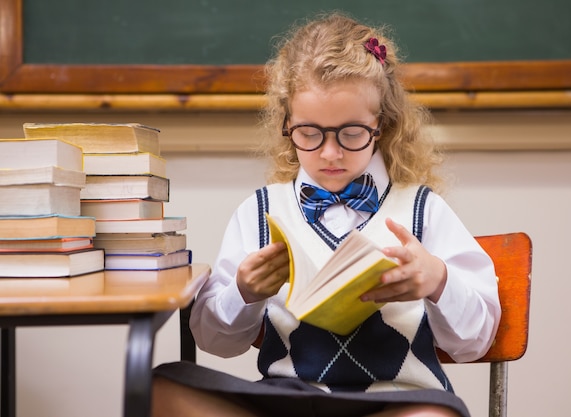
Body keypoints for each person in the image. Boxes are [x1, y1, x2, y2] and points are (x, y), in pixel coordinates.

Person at [152, 12, 501, 417]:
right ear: (287, 125)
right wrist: (243, 293)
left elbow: (476, 342)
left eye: (351, 133)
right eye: (310, 133)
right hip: (288, 400)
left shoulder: (424, 209)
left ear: (382, 126)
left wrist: (438, 280)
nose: (330, 153)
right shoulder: (261, 210)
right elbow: (217, 342)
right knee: (162, 385)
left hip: (395, 402)